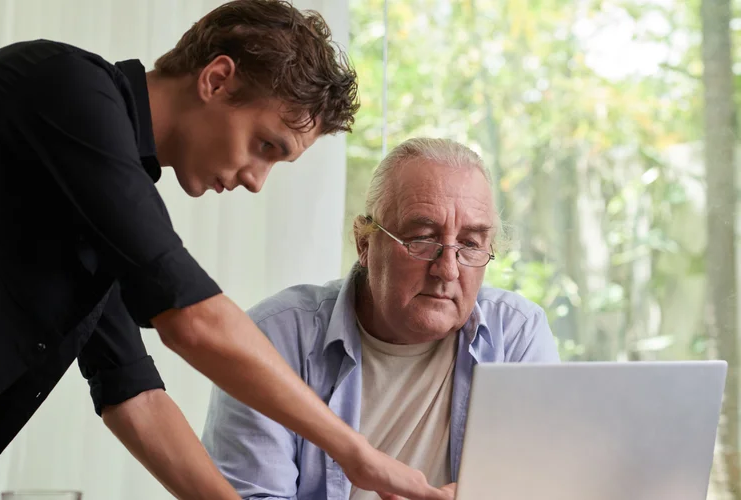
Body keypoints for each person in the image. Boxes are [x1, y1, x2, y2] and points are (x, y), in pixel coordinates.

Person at [0, 2, 451, 499]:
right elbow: (192, 320)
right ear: (217, 79)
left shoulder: (99, 193)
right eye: (266, 145)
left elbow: (133, 395)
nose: (256, 180)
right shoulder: (67, 89)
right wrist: (360, 456)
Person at [201, 137, 561, 499]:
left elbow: (547, 486)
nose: (447, 270)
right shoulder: (274, 338)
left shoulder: (516, 335)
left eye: (469, 244)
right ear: (364, 243)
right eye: (422, 238)